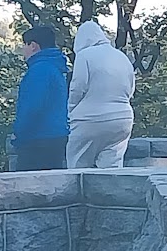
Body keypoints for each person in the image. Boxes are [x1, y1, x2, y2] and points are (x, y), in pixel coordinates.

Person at [66, 20, 136, 168]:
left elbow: (77, 88)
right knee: (112, 168)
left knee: (79, 165)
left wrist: (71, 111)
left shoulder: (84, 56)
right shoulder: (121, 57)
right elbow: (130, 90)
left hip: (89, 120)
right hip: (122, 120)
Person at [10, 24, 69, 171]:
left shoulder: (39, 70)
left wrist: (19, 133)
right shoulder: (56, 68)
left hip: (36, 140)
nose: (24, 50)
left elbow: (32, 106)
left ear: (34, 46)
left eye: (25, 45)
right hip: (57, 137)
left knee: (27, 188)